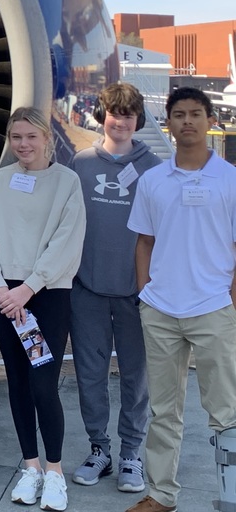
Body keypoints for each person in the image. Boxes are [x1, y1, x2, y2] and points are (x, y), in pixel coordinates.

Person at [125, 87, 236, 512]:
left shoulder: (229, 181)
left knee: (226, 411)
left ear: (210, 120)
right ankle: (161, 495)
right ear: (167, 124)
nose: (187, 121)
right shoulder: (153, 181)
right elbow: (144, 242)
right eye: (178, 114)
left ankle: (229, 496)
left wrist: (230, 304)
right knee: (164, 410)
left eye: (195, 113)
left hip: (213, 309)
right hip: (162, 310)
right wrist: (144, 296)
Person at [0, 107, 86, 511]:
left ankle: (54, 471)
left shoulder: (66, 183)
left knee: (42, 384)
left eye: (31, 137)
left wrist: (28, 289)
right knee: (18, 384)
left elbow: (66, 241)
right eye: (16, 136)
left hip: (45, 296)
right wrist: (1, 287)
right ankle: (31, 466)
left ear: (46, 138)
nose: (23, 144)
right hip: (5, 295)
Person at [68, 83, 160, 493]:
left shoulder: (154, 168)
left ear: (137, 120)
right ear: (102, 116)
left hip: (136, 293)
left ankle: (130, 455)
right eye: (113, 114)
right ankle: (99, 449)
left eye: (128, 115)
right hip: (86, 289)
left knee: (136, 378)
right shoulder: (80, 164)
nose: (120, 122)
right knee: (90, 375)